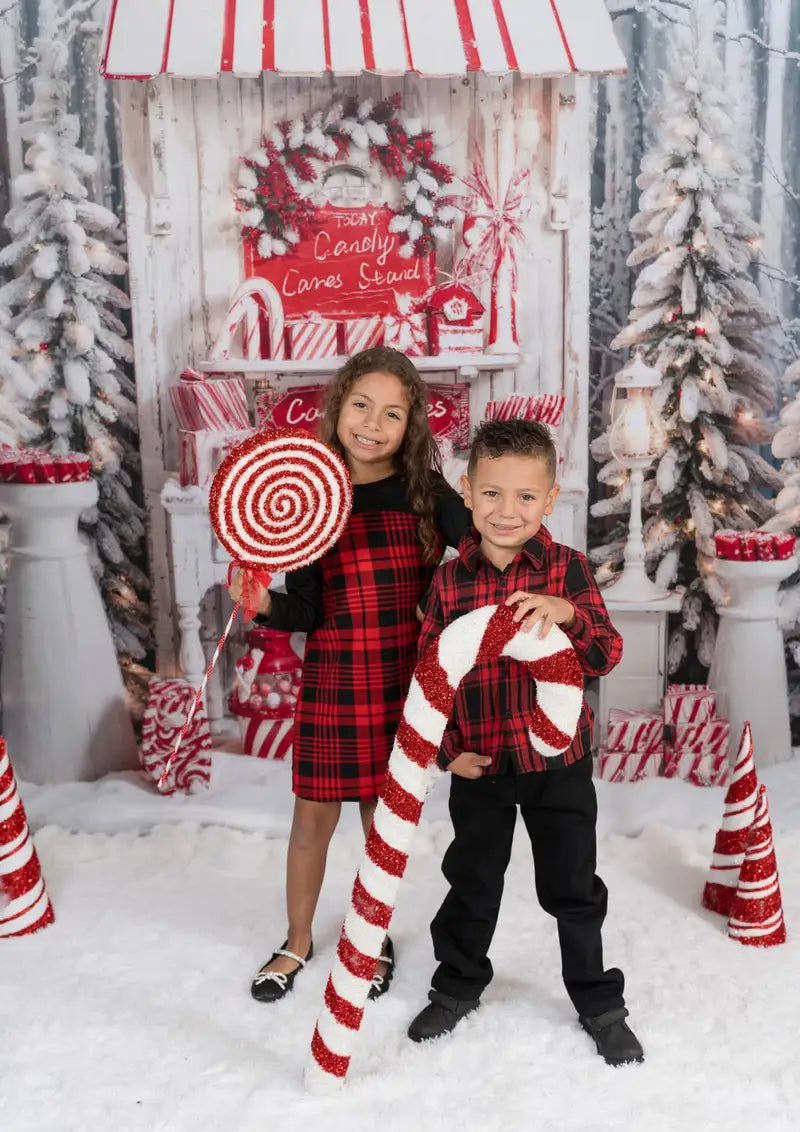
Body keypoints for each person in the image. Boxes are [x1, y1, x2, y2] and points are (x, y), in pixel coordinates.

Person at [230, 347, 469, 1004]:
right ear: (338, 408)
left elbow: (481, 552)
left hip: (400, 685)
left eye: (392, 413)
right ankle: (298, 940)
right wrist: (263, 604)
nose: (373, 423)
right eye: (362, 405)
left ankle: (374, 936)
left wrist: (441, 595)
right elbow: (304, 607)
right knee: (312, 819)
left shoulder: (427, 490)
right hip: (335, 682)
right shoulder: (317, 493)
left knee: (379, 822)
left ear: (410, 424)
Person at [407, 418, 643, 1066]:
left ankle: (597, 1000)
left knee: (572, 885)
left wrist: (570, 615)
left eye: (524, 497)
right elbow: (431, 675)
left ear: (550, 497)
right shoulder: (451, 585)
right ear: (468, 489)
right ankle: (456, 985)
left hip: (558, 765)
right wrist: (446, 751)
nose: (506, 511)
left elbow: (604, 655)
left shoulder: (566, 571)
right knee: (472, 882)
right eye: (491, 494)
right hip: (480, 767)